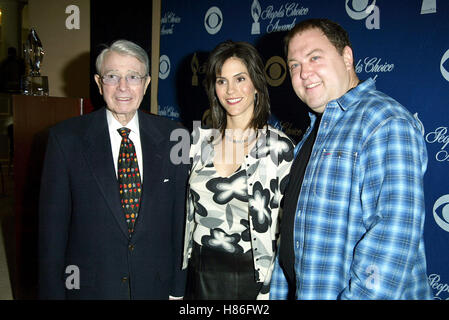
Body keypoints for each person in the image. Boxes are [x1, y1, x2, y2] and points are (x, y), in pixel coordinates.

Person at [269, 18, 433, 300]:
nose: (304, 72)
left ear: (347, 57)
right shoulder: (315, 132)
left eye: (314, 58)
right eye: (294, 65)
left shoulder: (384, 121)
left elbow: (392, 243)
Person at [38, 40, 189, 299]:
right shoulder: (65, 139)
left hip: (155, 286)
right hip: (90, 288)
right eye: (112, 76)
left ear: (147, 83)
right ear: (99, 83)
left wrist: (178, 287)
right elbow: (52, 233)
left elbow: (181, 222)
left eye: (133, 77)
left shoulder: (176, 137)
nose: (123, 87)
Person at [182, 40, 295, 300]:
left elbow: (288, 230)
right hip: (199, 272)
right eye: (221, 81)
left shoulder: (279, 148)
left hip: (253, 277)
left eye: (240, 78)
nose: (231, 90)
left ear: (256, 84)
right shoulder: (198, 143)